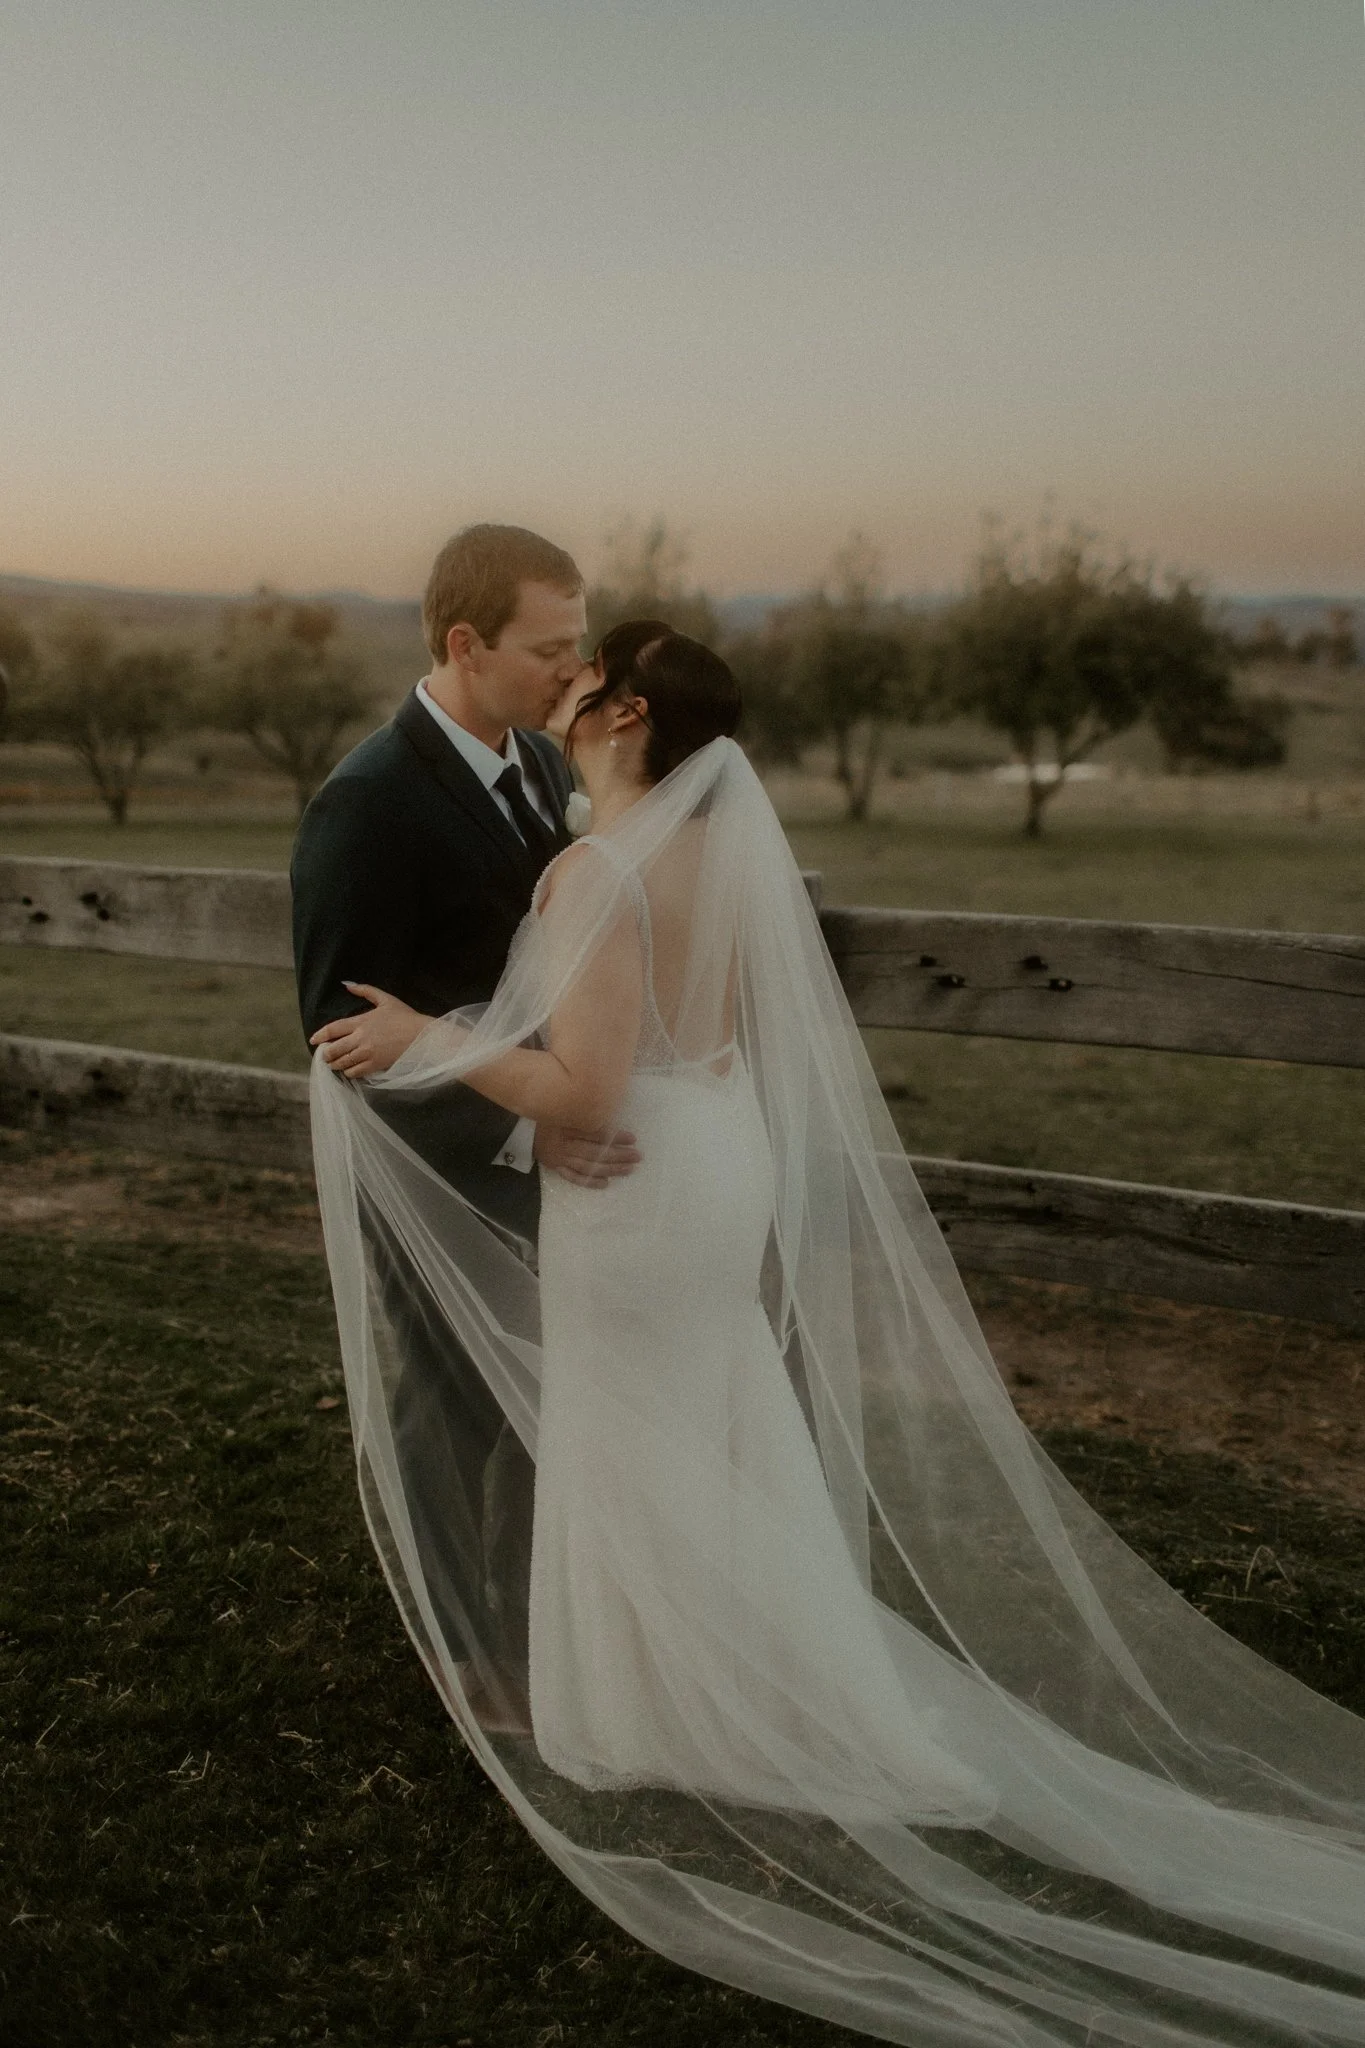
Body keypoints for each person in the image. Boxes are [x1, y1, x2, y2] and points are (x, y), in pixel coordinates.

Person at [309, 627, 1365, 2047]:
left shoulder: (596, 871)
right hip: (714, 1157)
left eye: (581, 675)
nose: (557, 686)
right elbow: (709, 1046)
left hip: (638, 1180)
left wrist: (422, 1038)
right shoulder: (716, 858)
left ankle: (665, 1710)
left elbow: (591, 1090)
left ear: (621, 713)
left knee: (636, 1423)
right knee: (713, 1407)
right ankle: (731, 1684)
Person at [291, 523, 640, 1736]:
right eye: (550, 649)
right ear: (464, 643)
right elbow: (339, 1033)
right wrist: (515, 1128)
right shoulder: (366, 800)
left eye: (576, 642)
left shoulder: (537, 767)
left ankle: (541, 1622)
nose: (573, 670)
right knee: (448, 1409)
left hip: (540, 1143)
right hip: (432, 1168)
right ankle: (461, 1651)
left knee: (537, 1396)